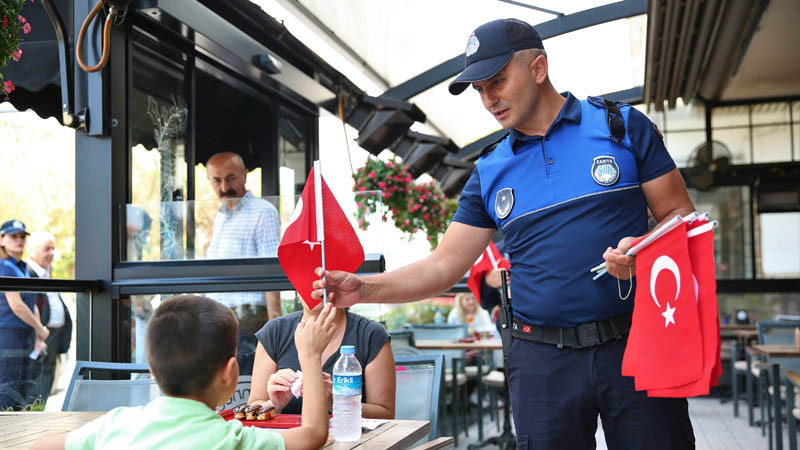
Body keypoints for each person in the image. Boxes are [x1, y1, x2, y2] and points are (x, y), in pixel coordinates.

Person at [312, 19, 697, 449]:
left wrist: (644, 250)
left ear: (538, 69)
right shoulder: (490, 170)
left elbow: (679, 214)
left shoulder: (620, 127)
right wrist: (362, 288)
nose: (488, 99)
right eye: (478, 89)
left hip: (636, 341)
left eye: (496, 81)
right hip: (541, 362)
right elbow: (444, 265)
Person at [31, 295, 336, 450]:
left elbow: (38, 447)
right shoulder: (232, 439)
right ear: (230, 373)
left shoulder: (114, 426)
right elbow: (313, 434)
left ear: (152, 369)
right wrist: (310, 356)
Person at [248, 301, 395, 419]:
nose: (314, 287)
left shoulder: (370, 335)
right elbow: (252, 408)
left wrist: (335, 400)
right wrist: (274, 404)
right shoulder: (275, 332)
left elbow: (385, 414)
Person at [205, 152, 282, 375]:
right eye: (217, 180)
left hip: (249, 324)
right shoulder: (220, 216)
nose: (224, 187)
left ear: (245, 176)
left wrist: (273, 331)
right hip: (220, 322)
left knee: (245, 395)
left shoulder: (263, 212)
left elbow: (272, 272)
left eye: (231, 178)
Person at [0, 219, 48, 409]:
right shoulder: (3, 266)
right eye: (13, 236)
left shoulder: (23, 268)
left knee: (20, 390)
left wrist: (38, 332)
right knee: (7, 391)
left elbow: (31, 302)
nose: (19, 241)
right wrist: (40, 327)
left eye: (22, 237)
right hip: (8, 335)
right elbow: (17, 306)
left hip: (25, 336)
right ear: (2, 240)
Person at [26, 231, 73, 404]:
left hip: (53, 338)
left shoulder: (46, 273)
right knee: (34, 388)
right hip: (37, 339)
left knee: (45, 386)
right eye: (47, 249)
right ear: (33, 250)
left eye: (53, 249)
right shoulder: (26, 273)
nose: (52, 253)